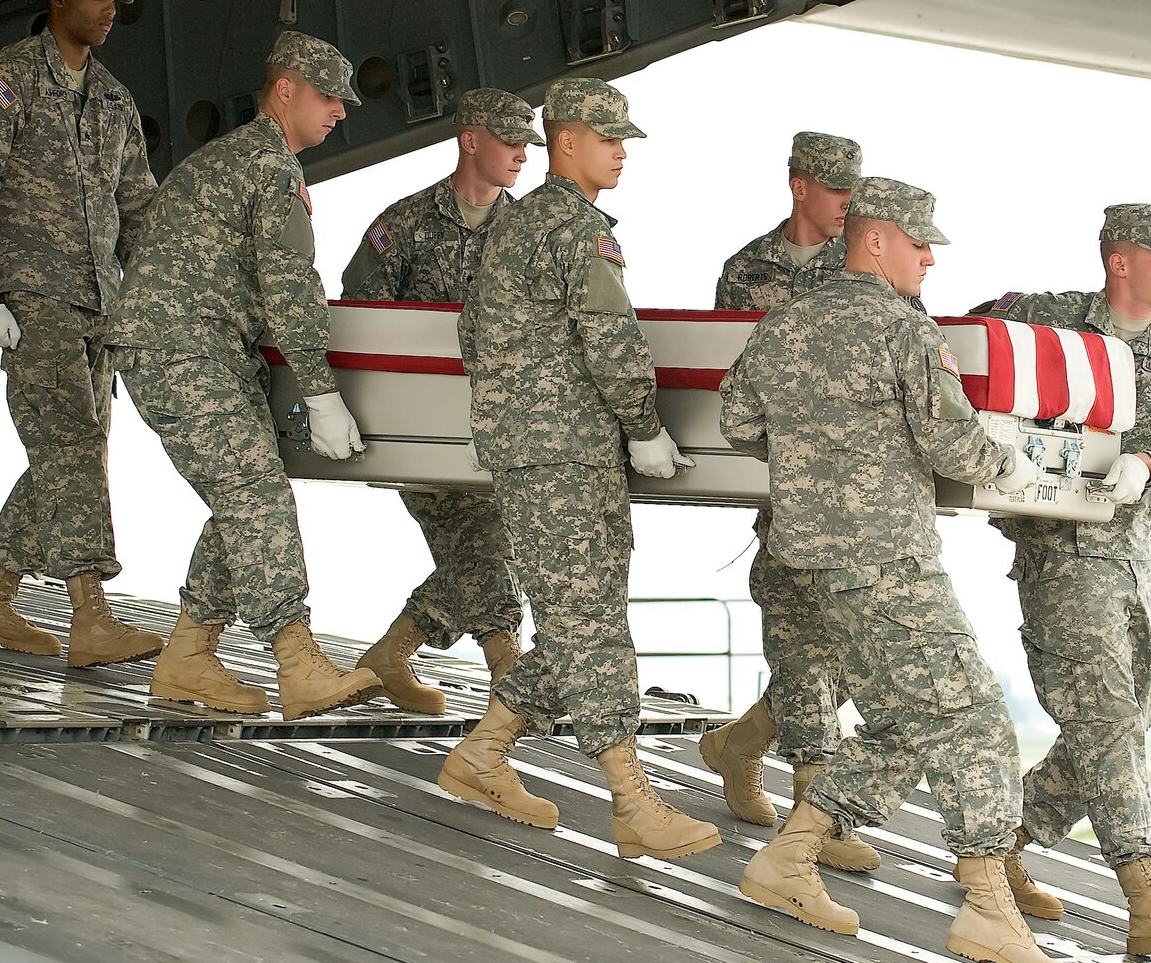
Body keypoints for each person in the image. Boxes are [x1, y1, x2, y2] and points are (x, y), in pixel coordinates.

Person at [721, 177, 1072, 963]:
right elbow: (953, 444)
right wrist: (1009, 464)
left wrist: (814, 467)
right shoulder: (902, 329)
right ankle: (987, 906)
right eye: (919, 243)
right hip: (885, 561)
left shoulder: (788, 321)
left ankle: (790, 855)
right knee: (974, 712)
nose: (929, 257)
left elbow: (739, 419)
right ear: (873, 240)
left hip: (805, 556)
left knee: (907, 722)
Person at [440, 76, 721, 861]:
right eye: (609, 138)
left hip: (548, 449)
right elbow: (612, 339)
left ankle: (481, 755)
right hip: (559, 452)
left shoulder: (518, 225)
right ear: (567, 141)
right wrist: (644, 427)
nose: (622, 151)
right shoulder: (572, 229)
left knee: (579, 620)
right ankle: (632, 802)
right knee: (593, 626)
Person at [978, 203, 1151, 955]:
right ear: (1119, 259)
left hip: (1134, 547)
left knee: (1141, 702)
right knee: (1104, 717)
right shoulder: (1050, 319)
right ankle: (1144, 894)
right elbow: (970, 346)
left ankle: (1003, 844)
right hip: (1060, 545)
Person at [103, 31, 382, 720]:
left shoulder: (230, 159)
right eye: (326, 96)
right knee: (255, 488)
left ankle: (189, 656)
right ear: (283, 90)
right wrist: (320, 390)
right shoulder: (269, 167)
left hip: (186, 344)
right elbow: (290, 284)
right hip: (184, 347)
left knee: (244, 490)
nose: (339, 112)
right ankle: (297, 659)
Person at [0, 0, 162, 669]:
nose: (107, 10)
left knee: (71, 451)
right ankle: (90, 616)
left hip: (103, 302)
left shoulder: (112, 100)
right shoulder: (6, 80)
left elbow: (140, 206)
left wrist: (176, 283)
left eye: (115, 0)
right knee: (71, 442)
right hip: (31, 295)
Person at [698, 131, 879, 874]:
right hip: (781, 488)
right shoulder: (746, 271)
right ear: (799, 185)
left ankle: (738, 742)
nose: (846, 205)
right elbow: (728, 376)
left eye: (853, 192)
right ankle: (818, 806)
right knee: (806, 642)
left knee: (846, 654)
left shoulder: (865, 267)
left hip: (856, 492)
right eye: (835, 190)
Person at [338, 89, 546, 714]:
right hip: (419, 431)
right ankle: (508, 675)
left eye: (526, 145)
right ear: (470, 139)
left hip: (507, 429)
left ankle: (391, 654)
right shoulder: (402, 225)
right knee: (484, 541)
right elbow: (357, 316)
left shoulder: (530, 234)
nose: (519, 156)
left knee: (493, 544)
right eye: (508, 142)